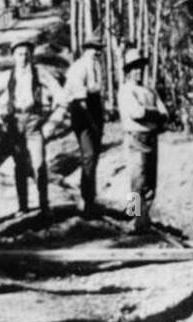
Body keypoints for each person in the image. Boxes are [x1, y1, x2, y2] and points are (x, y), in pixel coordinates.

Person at [0, 40, 67, 218]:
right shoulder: (8, 76)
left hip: (34, 122)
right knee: (20, 165)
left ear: (31, 56)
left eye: (26, 54)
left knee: (39, 164)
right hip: (15, 124)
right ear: (14, 56)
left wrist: (52, 122)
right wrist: (1, 113)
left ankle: (44, 205)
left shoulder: (40, 73)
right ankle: (22, 206)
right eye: (19, 54)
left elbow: (61, 96)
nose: (23, 58)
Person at [117, 47, 168, 233]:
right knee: (137, 180)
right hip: (135, 137)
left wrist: (151, 114)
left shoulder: (149, 91)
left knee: (151, 182)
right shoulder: (126, 91)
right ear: (128, 71)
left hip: (151, 137)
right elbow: (137, 113)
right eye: (134, 68)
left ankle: (143, 219)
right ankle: (133, 217)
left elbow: (165, 113)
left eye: (140, 68)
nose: (138, 71)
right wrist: (152, 114)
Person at [64, 33, 106, 218]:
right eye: (94, 49)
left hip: (95, 110)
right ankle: (87, 201)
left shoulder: (97, 65)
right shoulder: (78, 67)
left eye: (99, 49)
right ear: (86, 49)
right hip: (82, 111)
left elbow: (97, 91)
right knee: (89, 155)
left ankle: (91, 198)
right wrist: (91, 122)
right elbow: (80, 98)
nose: (97, 52)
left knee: (94, 155)